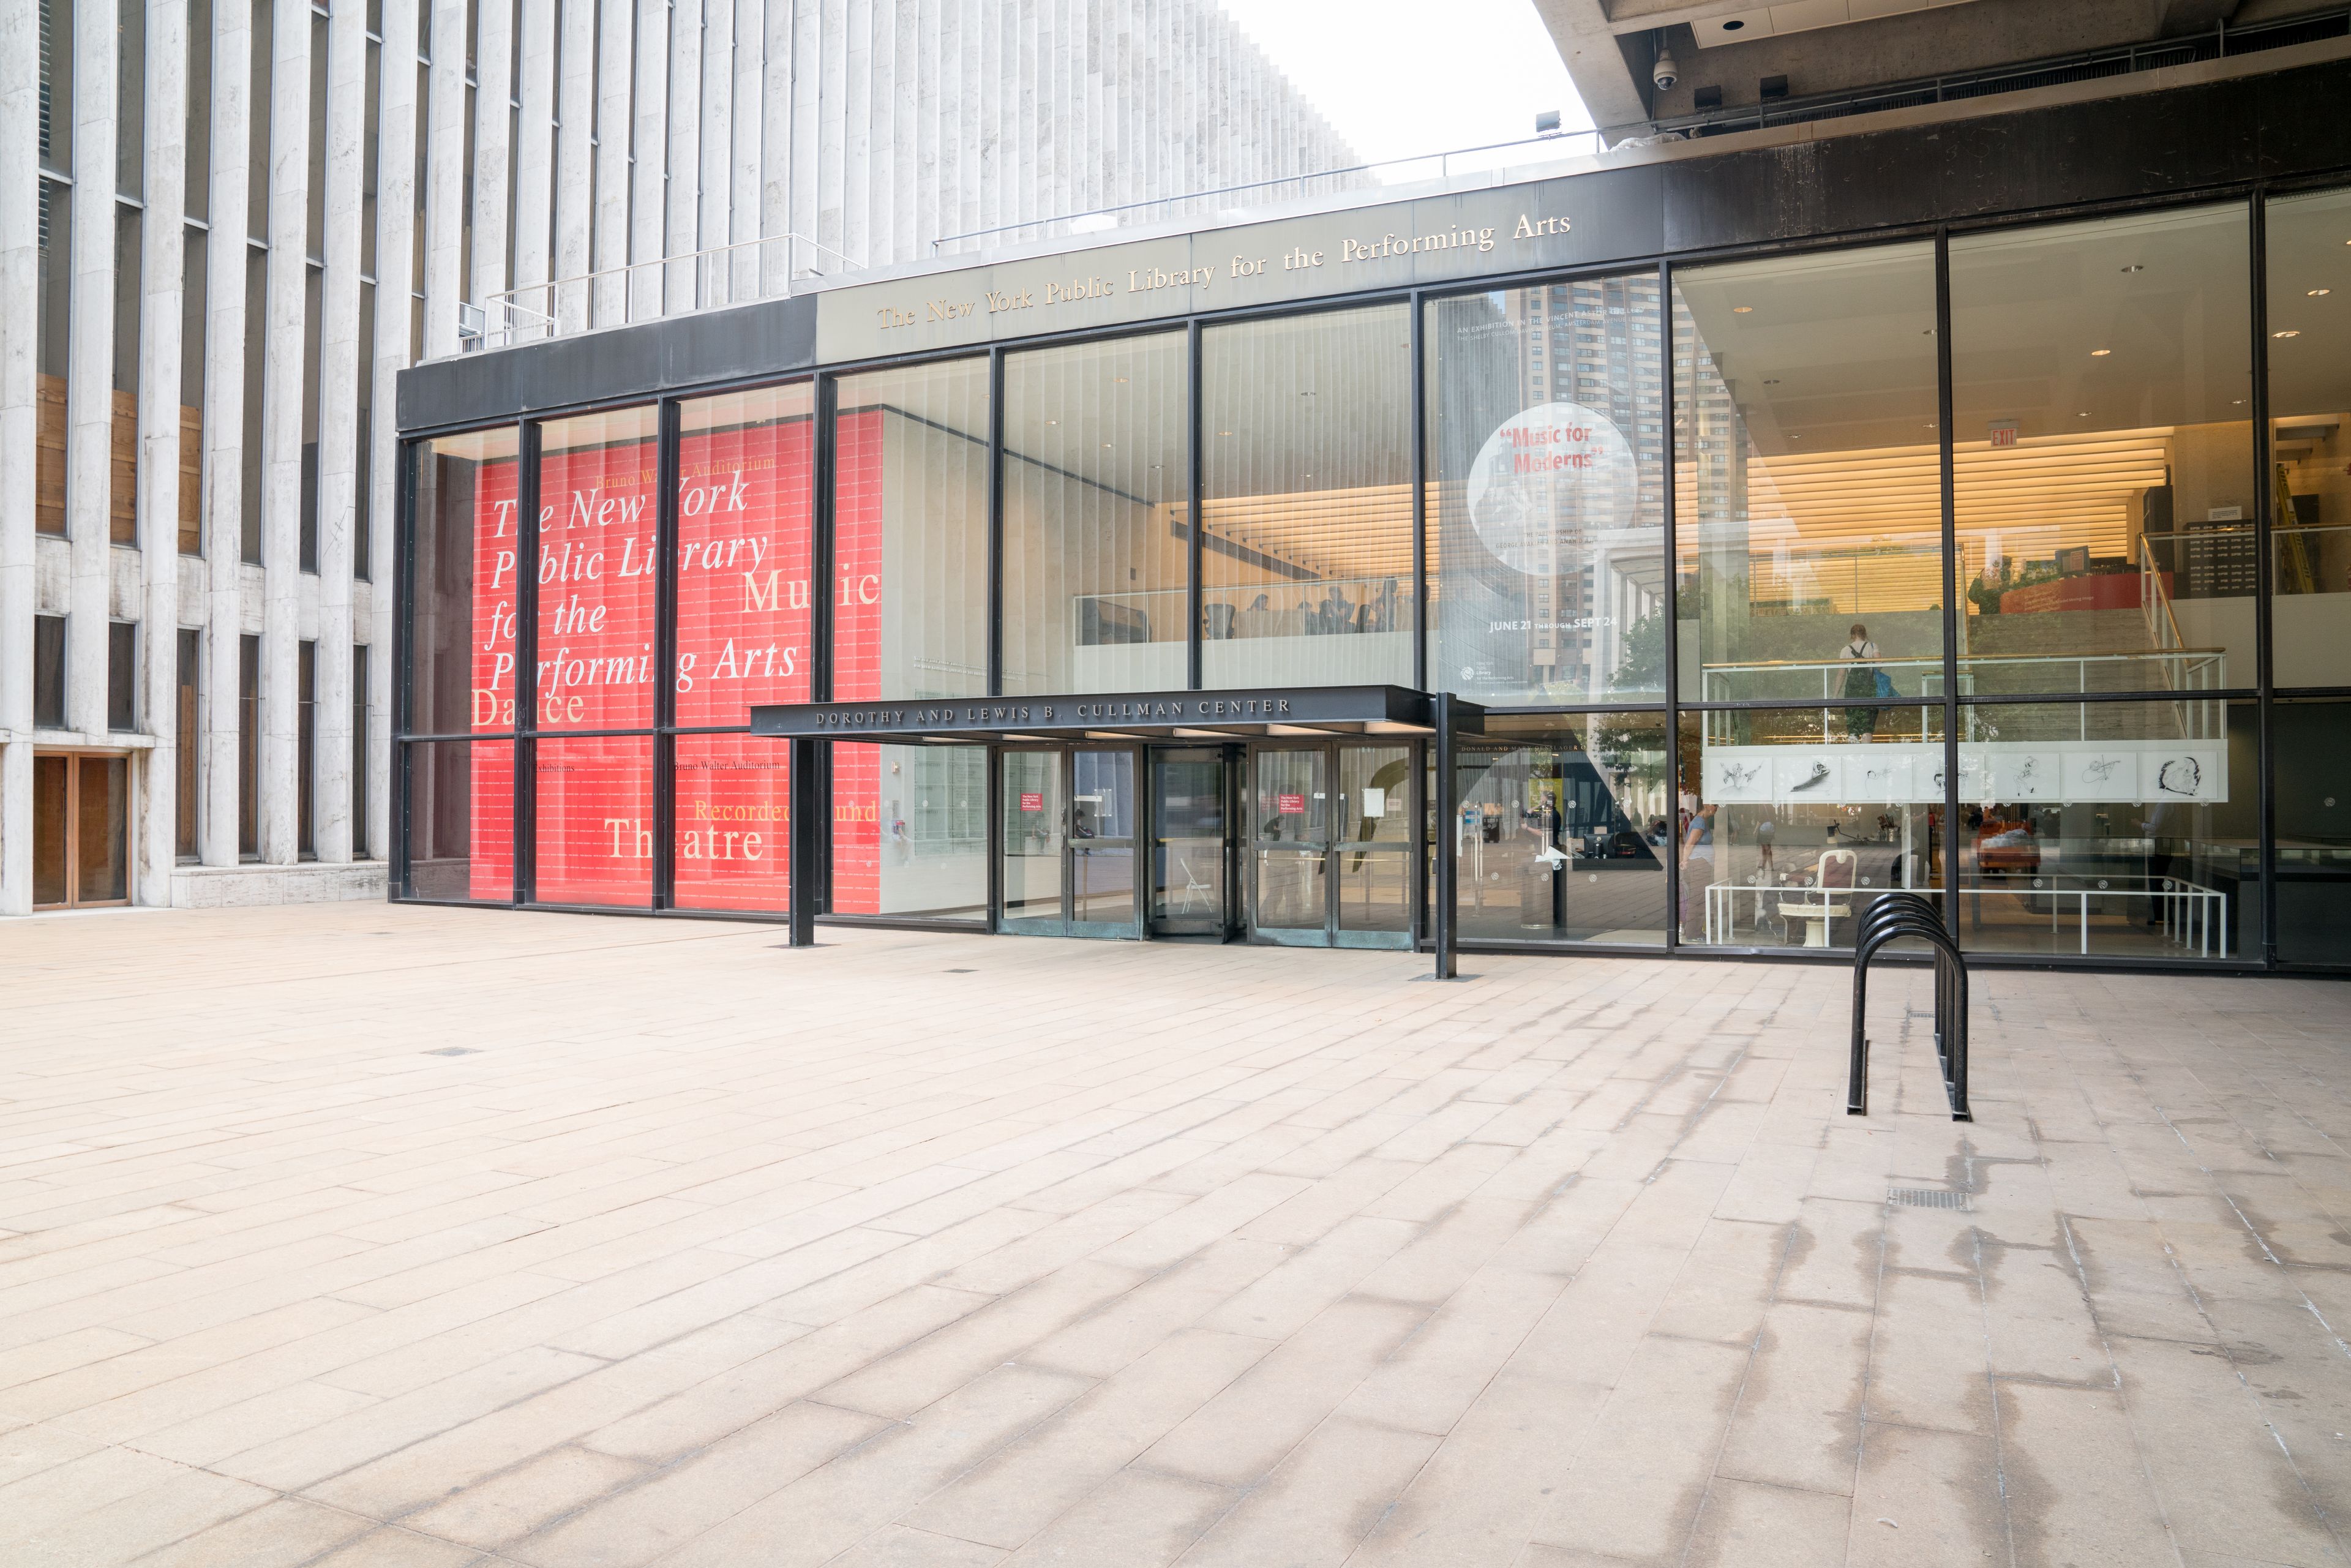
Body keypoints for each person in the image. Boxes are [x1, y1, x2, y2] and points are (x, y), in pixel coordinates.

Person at [1839, 622, 1882, 740]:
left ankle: (1854, 752)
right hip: (1868, 690)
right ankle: (1866, 751)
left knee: (1853, 724)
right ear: (1865, 634)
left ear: (1852, 635)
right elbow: (1879, 664)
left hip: (1852, 691)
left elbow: (1842, 674)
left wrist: (1835, 694)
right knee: (1867, 724)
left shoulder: (1845, 650)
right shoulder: (1872, 646)